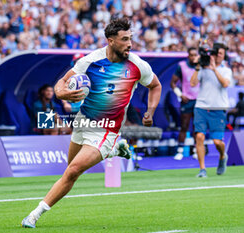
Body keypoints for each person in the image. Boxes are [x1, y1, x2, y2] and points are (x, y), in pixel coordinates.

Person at [21, 18, 162, 228]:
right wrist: (62, 93)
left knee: (73, 170)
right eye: (124, 39)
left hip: (107, 130)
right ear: (111, 41)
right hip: (83, 122)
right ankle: (115, 150)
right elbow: (61, 83)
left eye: (130, 39)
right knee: (70, 170)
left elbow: (156, 85)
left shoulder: (137, 65)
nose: (130, 44)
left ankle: (34, 215)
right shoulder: (90, 61)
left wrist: (150, 112)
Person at [190, 43, 232, 178]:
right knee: (199, 137)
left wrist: (214, 69)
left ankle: (222, 156)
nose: (218, 56)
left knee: (217, 142)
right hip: (201, 107)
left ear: (224, 55)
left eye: (220, 54)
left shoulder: (226, 70)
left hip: (218, 108)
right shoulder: (203, 68)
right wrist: (197, 67)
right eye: (216, 53)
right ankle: (202, 169)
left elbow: (225, 84)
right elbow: (192, 83)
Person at [171, 47, 199, 160]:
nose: (193, 57)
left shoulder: (201, 67)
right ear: (188, 56)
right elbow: (172, 83)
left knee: (197, 127)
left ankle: (196, 150)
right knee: (184, 126)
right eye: (191, 55)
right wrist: (180, 95)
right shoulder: (182, 66)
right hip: (186, 101)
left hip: (198, 101)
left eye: (195, 55)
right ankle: (180, 151)